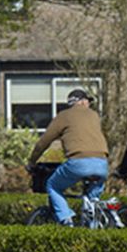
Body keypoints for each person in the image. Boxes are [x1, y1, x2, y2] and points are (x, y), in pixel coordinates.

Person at [28, 89, 109, 226]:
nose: (88, 104)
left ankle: (66, 220)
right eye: (88, 101)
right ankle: (93, 226)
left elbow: (44, 141)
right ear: (82, 101)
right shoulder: (94, 115)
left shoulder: (64, 116)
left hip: (79, 162)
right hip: (102, 163)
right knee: (92, 200)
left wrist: (32, 161)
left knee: (53, 185)